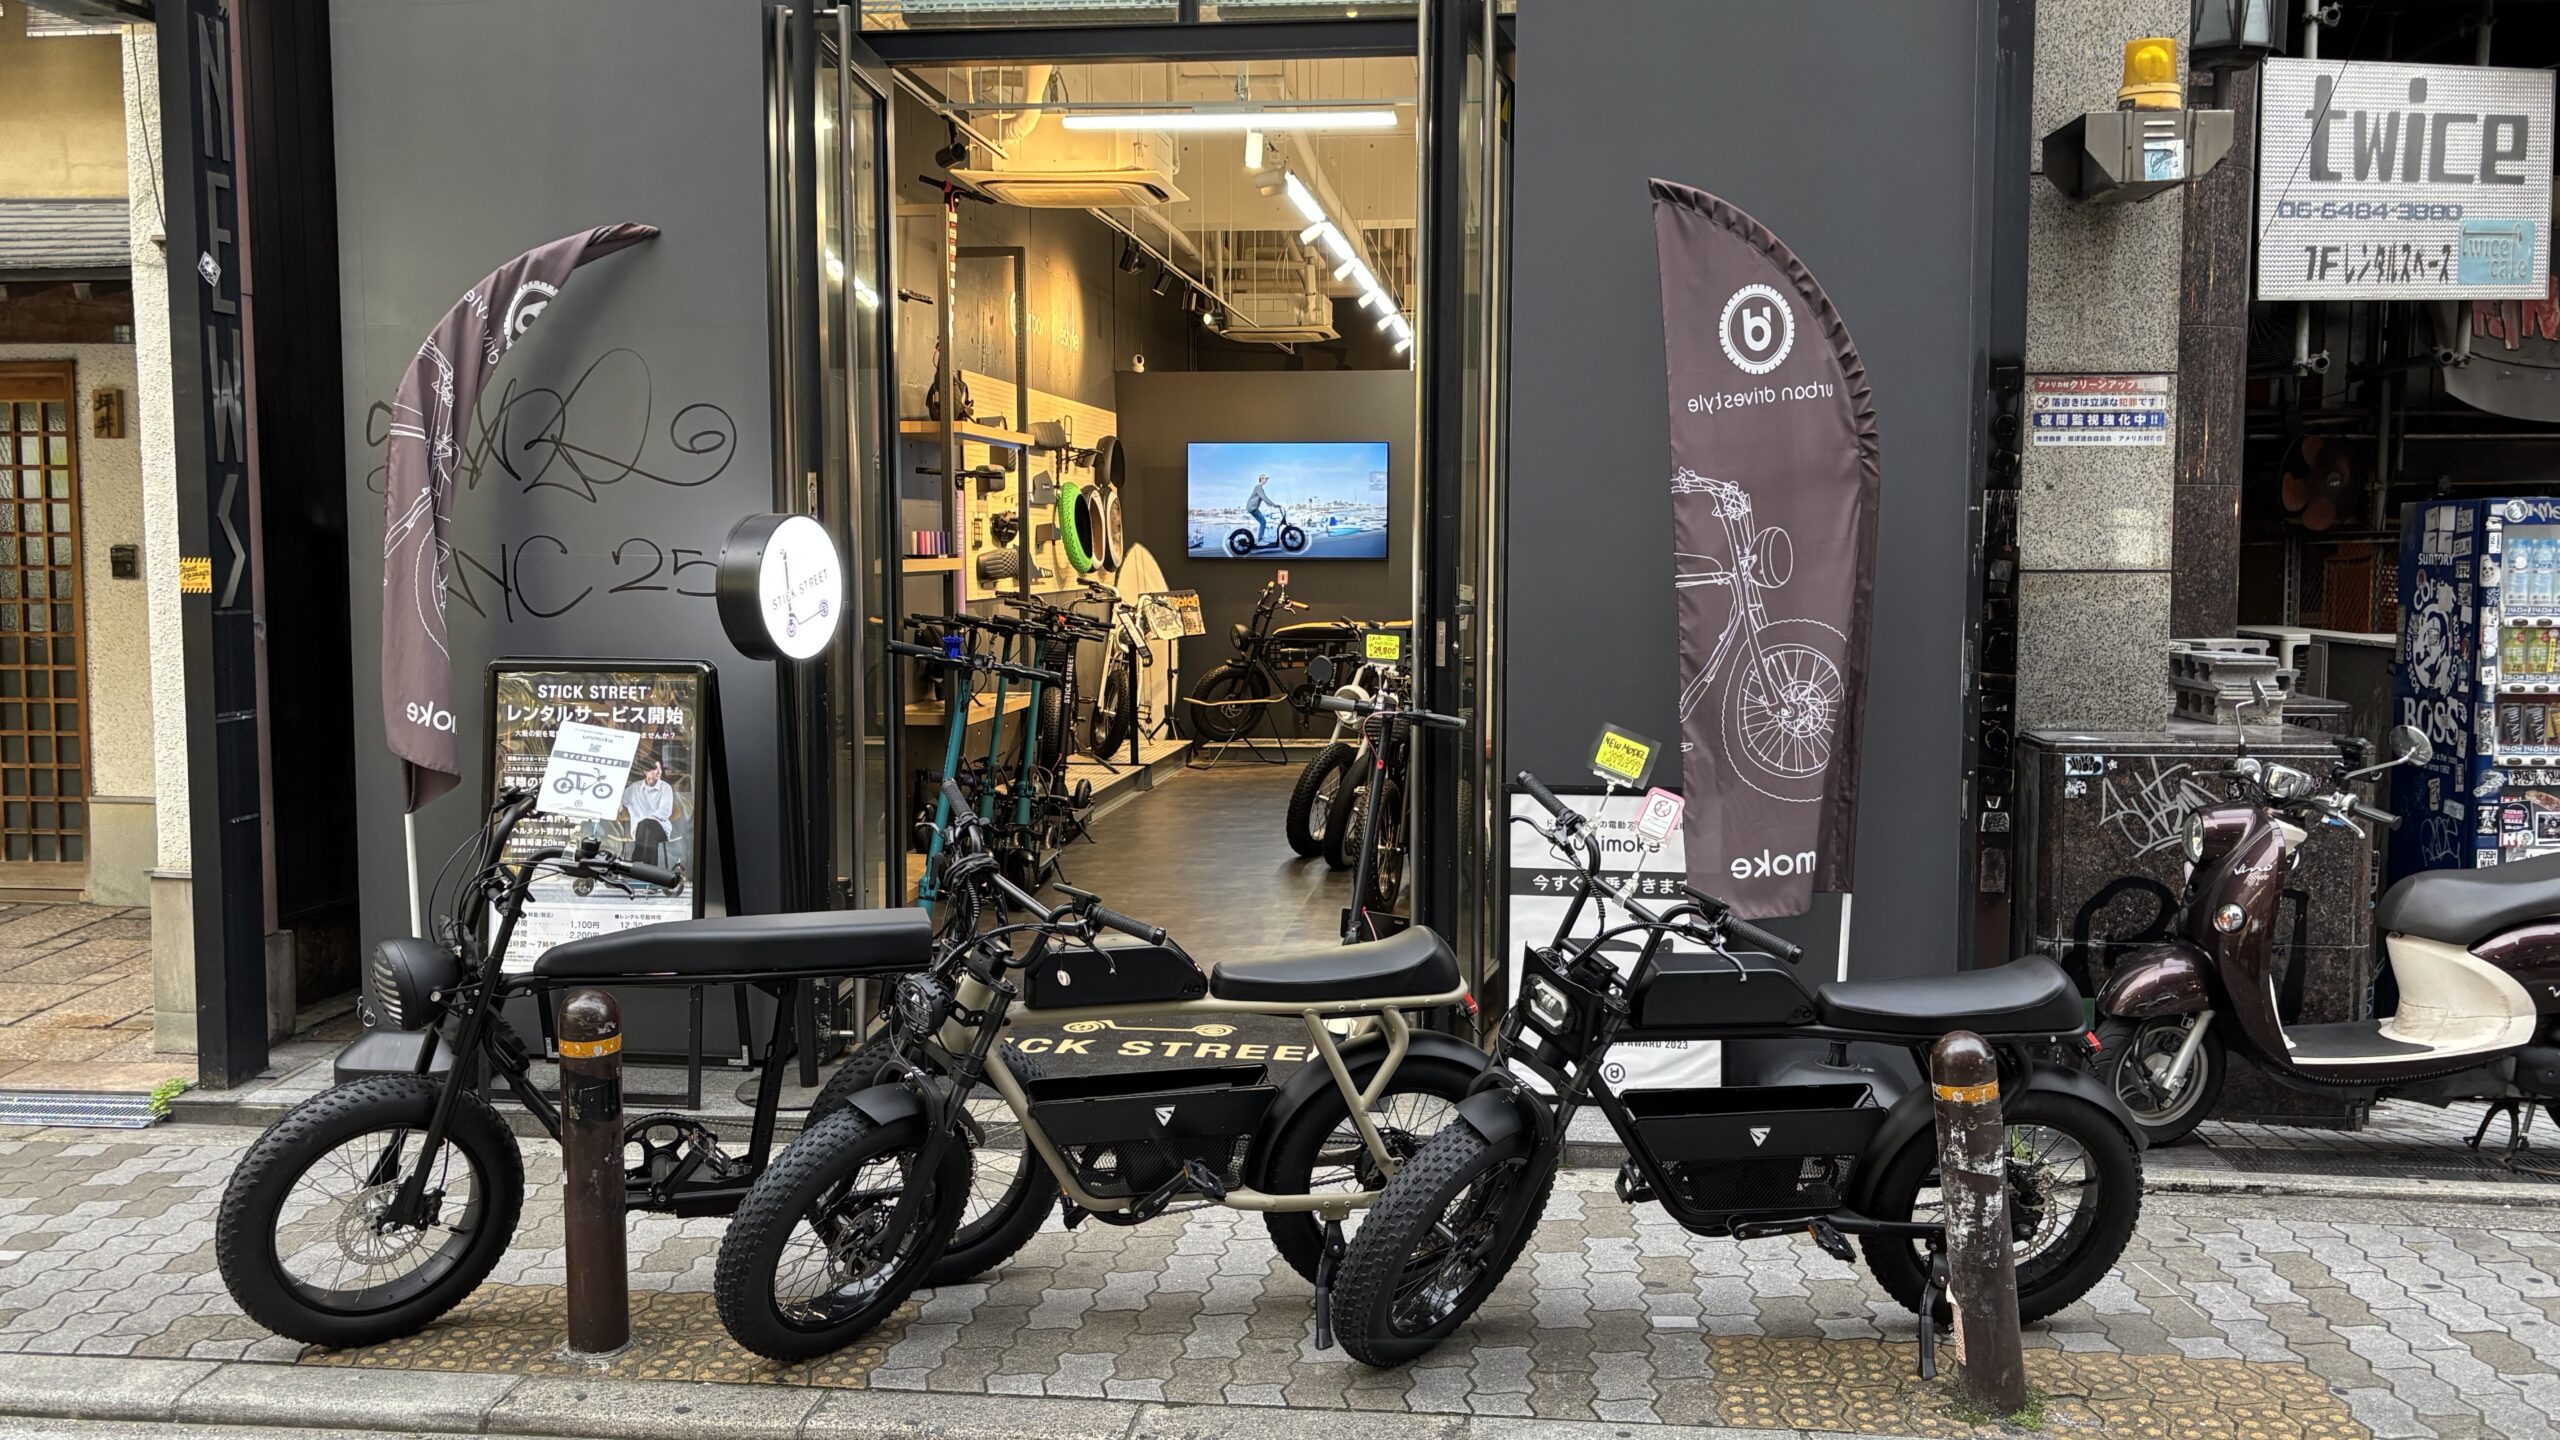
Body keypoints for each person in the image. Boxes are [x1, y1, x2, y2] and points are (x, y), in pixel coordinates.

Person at [621, 757, 676, 870]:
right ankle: (650, 871)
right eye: (654, 769)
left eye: (659, 768)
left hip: (661, 829)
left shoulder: (665, 788)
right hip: (638, 832)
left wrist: (647, 820)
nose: (658, 771)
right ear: (645, 771)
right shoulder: (634, 788)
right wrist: (619, 806)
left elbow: (665, 811)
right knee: (646, 826)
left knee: (647, 823)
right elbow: (619, 799)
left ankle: (637, 860)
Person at [1246, 473, 1274, 541]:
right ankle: (1260, 540)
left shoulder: (1259, 487)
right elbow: (1264, 498)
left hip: (1253, 508)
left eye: (1267, 479)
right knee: (1263, 522)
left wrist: (1270, 504)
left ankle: (1260, 539)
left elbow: (1263, 499)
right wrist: (1274, 505)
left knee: (1263, 522)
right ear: (1261, 479)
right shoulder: (1258, 487)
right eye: (1265, 479)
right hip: (1252, 508)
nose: (1266, 480)